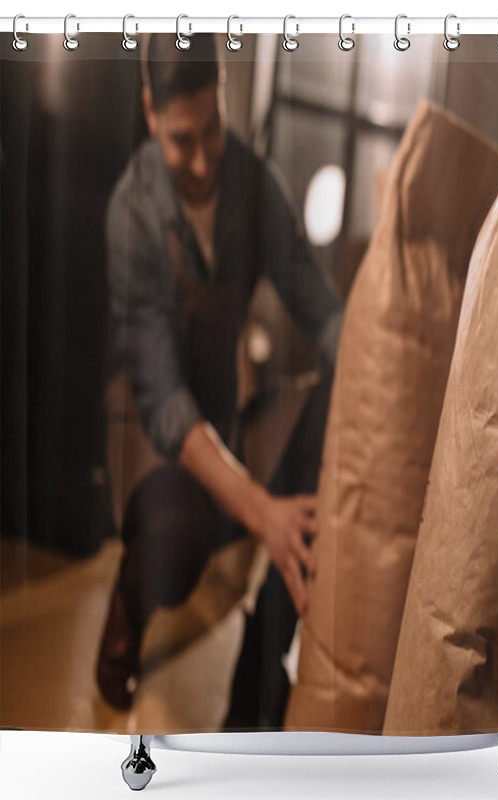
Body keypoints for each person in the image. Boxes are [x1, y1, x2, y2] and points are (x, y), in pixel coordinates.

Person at [95, 32, 343, 712]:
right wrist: (262, 512)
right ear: (151, 113)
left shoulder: (254, 185)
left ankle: (258, 683)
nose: (203, 160)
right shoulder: (131, 214)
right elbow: (167, 403)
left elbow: (321, 310)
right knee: (177, 537)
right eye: (182, 141)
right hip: (149, 433)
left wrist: (382, 366)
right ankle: (127, 604)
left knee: (330, 404)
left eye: (213, 130)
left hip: (229, 414)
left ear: (225, 97)